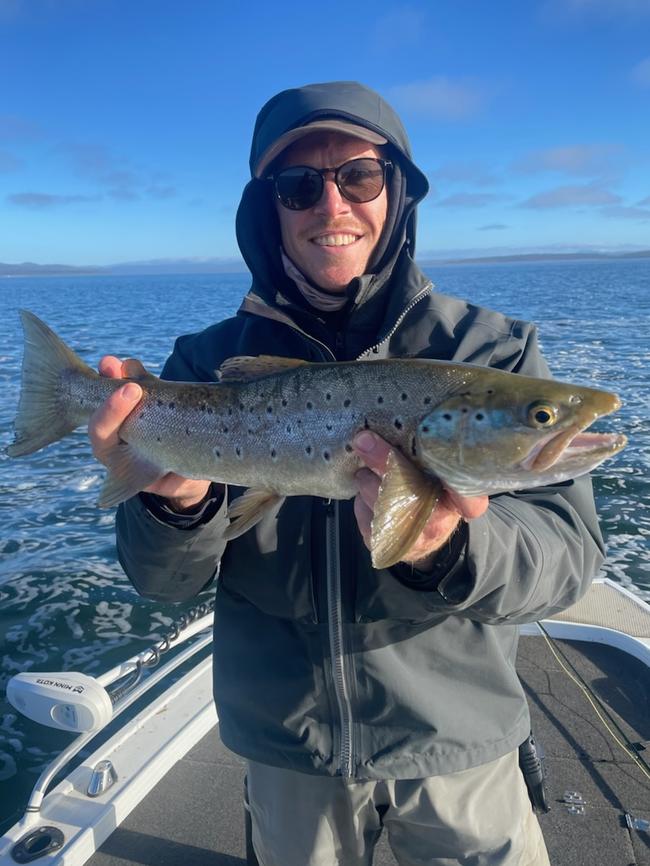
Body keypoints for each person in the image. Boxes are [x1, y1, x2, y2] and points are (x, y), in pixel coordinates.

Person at [89, 82, 606, 866]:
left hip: (459, 742)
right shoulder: (202, 364)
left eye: (358, 177)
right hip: (285, 749)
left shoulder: (492, 350)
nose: (331, 204)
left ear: (396, 188)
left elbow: (566, 560)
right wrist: (181, 508)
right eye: (299, 186)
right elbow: (160, 584)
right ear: (269, 211)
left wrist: (449, 550)